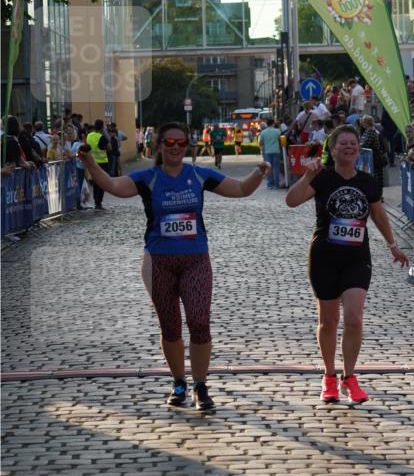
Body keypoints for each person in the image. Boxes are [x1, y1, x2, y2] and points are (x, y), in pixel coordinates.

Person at [78, 122, 271, 411]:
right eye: (169, 142)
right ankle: (178, 382)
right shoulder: (147, 177)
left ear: (188, 146)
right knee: (170, 326)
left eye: (182, 143)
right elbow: (114, 186)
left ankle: (200, 386)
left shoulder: (198, 174)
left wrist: (260, 172)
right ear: (159, 146)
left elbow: (241, 189)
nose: (176, 147)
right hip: (158, 262)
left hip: (195, 260)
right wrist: (90, 163)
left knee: (199, 321)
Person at [286, 124, 409, 404]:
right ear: (332, 148)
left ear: (358, 148)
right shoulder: (322, 178)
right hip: (324, 257)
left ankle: (349, 377)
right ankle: (329, 376)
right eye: (343, 143)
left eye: (353, 143)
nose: (349, 147)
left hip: (357, 258)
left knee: (354, 318)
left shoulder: (367, 181)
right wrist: (308, 176)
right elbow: (291, 201)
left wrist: (392, 245)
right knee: (328, 321)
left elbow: (378, 214)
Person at [86, 119, 111, 209]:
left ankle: (96, 201)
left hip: (92, 162)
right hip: (102, 163)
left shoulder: (89, 135)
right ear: (101, 127)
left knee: (96, 182)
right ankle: (98, 202)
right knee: (102, 183)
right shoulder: (102, 137)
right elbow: (109, 148)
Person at [259, 117, 282, 188]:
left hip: (267, 152)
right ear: (273, 123)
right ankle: (276, 184)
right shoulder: (278, 131)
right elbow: (280, 140)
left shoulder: (263, 132)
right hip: (276, 151)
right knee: (276, 168)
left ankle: (270, 184)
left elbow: (261, 143)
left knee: (269, 168)